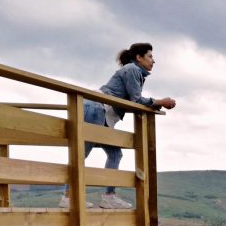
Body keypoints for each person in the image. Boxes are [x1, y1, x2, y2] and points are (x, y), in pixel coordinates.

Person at [61, 42, 176, 209]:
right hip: (96, 108)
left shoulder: (135, 72)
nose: (153, 61)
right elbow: (136, 100)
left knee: (115, 154)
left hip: (102, 112)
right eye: (150, 56)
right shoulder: (132, 70)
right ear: (139, 57)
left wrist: (155, 104)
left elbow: (133, 100)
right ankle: (68, 196)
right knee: (82, 153)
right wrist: (159, 102)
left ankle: (109, 196)